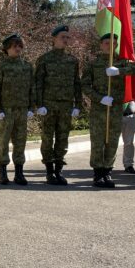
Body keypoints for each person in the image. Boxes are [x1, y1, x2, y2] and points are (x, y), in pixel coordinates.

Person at [81, 33, 135, 188]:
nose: (110, 45)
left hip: (115, 110)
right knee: (98, 142)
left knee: (112, 141)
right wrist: (99, 98)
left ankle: (107, 171)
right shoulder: (93, 64)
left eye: (113, 43)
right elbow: (85, 85)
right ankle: (97, 173)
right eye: (107, 43)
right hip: (99, 109)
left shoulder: (122, 62)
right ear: (101, 45)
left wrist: (119, 71)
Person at [34, 24, 82, 185]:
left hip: (66, 106)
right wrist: (39, 104)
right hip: (48, 105)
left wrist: (78, 105)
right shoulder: (44, 59)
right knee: (47, 138)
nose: (66, 40)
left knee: (63, 138)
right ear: (54, 39)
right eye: (63, 37)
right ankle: (49, 171)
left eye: (67, 37)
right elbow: (38, 84)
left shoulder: (72, 60)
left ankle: (58, 170)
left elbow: (77, 83)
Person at [0, 33, 35, 185]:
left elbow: (32, 88)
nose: (17, 49)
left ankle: (19, 173)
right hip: (6, 110)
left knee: (20, 141)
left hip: (22, 110)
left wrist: (31, 107)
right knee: (3, 142)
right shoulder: (2, 66)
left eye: (20, 46)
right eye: (14, 46)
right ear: (7, 49)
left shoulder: (27, 66)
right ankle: (3, 172)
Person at [120, 100, 135, 173]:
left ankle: (128, 165)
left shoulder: (132, 89)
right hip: (115, 116)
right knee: (112, 142)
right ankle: (108, 165)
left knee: (129, 142)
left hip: (131, 116)